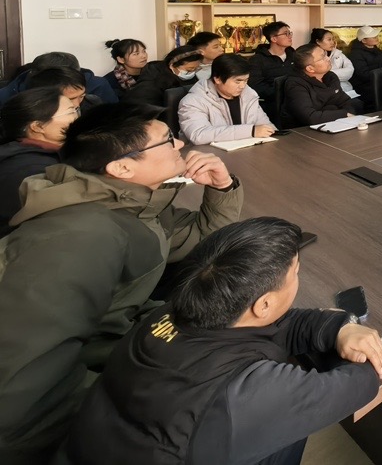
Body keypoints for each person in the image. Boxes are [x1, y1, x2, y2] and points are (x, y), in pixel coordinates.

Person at [0, 104, 243, 463]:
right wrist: (135, 417)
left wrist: (222, 187)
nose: (180, 145)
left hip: (118, 351)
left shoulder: (134, 202)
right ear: (122, 167)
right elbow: (22, 392)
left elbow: (202, 238)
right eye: (168, 140)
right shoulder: (80, 235)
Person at [65, 217, 382, 465]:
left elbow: (281, 324)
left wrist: (339, 327)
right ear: (263, 305)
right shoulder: (245, 393)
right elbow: (360, 384)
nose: (298, 279)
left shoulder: (173, 312)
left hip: (95, 445)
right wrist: (360, 336)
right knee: (292, 428)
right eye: (296, 273)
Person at [0, 86, 80, 231]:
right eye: (71, 112)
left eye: (76, 110)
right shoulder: (31, 171)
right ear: (37, 126)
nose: (78, 117)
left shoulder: (49, 153)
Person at [178, 54, 275, 145]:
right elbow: (198, 135)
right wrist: (250, 131)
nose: (242, 86)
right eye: (238, 81)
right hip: (208, 154)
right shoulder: (192, 101)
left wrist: (269, 131)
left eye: (246, 80)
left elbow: (266, 126)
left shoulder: (249, 95)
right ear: (218, 79)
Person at [0, 51, 118, 107]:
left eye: (81, 96)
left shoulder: (97, 86)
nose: (76, 105)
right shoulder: (7, 96)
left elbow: (114, 120)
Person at [283, 45, 361, 126]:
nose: (328, 58)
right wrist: (343, 114)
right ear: (310, 69)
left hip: (335, 124)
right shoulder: (295, 84)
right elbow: (309, 117)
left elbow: (344, 101)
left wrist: (348, 115)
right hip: (305, 129)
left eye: (326, 54)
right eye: (322, 58)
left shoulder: (330, 76)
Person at [123, 46, 204, 108]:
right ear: (172, 65)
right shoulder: (153, 80)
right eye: (189, 69)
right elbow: (144, 108)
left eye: (196, 69)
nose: (192, 72)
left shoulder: (192, 78)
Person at [248, 22, 296, 111]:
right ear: (274, 38)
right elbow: (256, 86)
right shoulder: (258, 60)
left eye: (290, 33)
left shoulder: (294, 55)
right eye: (285, 34)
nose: (290, 36)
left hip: (295, 101)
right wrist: (283, 92)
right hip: (271, 105)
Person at [347, 26, 382, 110]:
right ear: (364, 40)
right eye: (373, 37)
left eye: (376, 36)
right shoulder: (356, 54)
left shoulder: (378, 51)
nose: (377, 38)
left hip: (380, 83)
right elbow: (363, 74)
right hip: (366, 88)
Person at [311, 28, 357, 98]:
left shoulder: (338, 53)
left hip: (346, 90)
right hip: (326, 93)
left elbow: (350, 71)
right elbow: (318, 75)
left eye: (333, 39)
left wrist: (328, 73)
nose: (332, 42)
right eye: (329, 40)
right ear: (318, 41)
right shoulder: (311, 56)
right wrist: (339, 73)